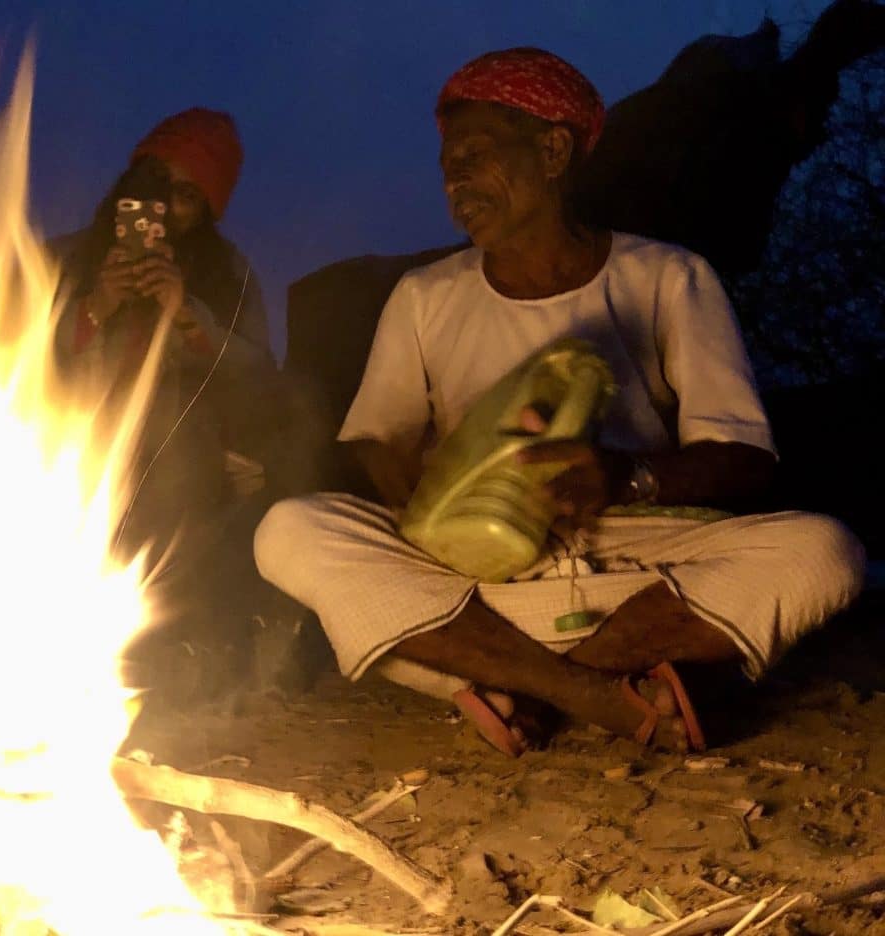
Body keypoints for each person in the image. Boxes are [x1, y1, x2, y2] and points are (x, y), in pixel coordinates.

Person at [253, 48, 866, 755]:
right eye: (448, 162)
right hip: (476, 582)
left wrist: (626, 477)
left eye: (477, 153)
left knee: (825, 551)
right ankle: (600, 692)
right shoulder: (426, 297)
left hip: (635, 564)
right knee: (290, 530)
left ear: (552, 150)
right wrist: (445, 501)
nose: (455, 177)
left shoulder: (667, 277)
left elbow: (746, 459)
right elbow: (371, 442)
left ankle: (521, 687)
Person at [53, 108, 277, 673]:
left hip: (182, 453)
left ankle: (168, 643)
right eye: (153, 184)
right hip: (72, 436)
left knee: (177, 449)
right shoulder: (63, 258)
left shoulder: (228, 273)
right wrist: (96, 307)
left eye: (184, 196)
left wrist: (190, 317)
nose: (162, 208)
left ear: (203, 212)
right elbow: (8, 362)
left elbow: (260, 374)